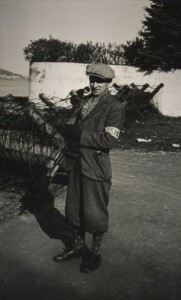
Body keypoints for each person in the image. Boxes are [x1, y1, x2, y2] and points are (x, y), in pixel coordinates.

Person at [53, 63, 125, 273]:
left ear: (108, 83)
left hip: (95, 166)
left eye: (99, 81)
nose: (94, 84)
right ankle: (77, 246)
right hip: (76, 163)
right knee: (74, 210)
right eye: (91, 80)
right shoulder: (83, 102)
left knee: (94, 213)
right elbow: (74, 124)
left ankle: (94, 253)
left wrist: (80, 135)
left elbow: (109, 140)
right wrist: (67, 128)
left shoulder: (115, 106)